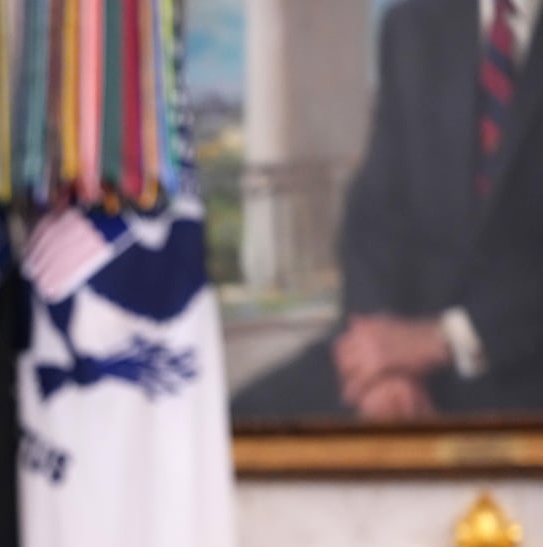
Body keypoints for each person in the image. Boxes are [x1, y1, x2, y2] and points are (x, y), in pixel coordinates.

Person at [232, 0, 543, 422]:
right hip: (406, 350)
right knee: (238, 428)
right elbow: (374, 219)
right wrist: (381, 365)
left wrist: (446, 339)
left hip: (521, 354)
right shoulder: (413, 25)